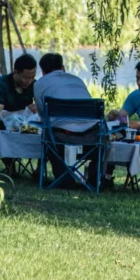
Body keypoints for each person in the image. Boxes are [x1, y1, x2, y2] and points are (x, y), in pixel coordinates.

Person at [35, 52, 108, 191]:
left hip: (61, 139)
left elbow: (43, 115)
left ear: (42, 71)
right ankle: (94, 180)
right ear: (62, 67)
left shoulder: (39, 84)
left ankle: (64, 180)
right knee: (104, 136)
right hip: (91, 138)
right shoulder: (77, 80)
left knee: (47, 132)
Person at [0, 53, 38, 130]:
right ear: (16, 73)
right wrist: (26, 112)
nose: (29, 81)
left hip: (25, 127)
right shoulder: (0, 85)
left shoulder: (34, 85)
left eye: (32, 77)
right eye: (26, 78)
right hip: (3, 128)